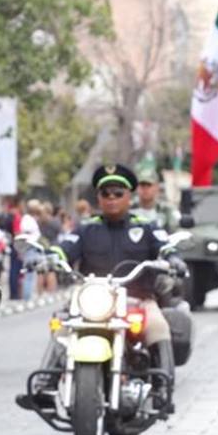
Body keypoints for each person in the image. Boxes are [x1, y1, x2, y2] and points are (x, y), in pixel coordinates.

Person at [44, 164, 175, 405]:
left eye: (118, 193)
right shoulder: (86, 229)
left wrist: (173, 258)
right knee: (62, 327)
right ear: (99, 198)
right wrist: (49, 258)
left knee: (158, 326)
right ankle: (45, 386)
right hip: (92, 299)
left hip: (137, 299)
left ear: (129, 196)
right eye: (106, 193)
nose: (112, 198)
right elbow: (64, 248)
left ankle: (162, 388)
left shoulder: (146, 227)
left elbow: (165, 248)